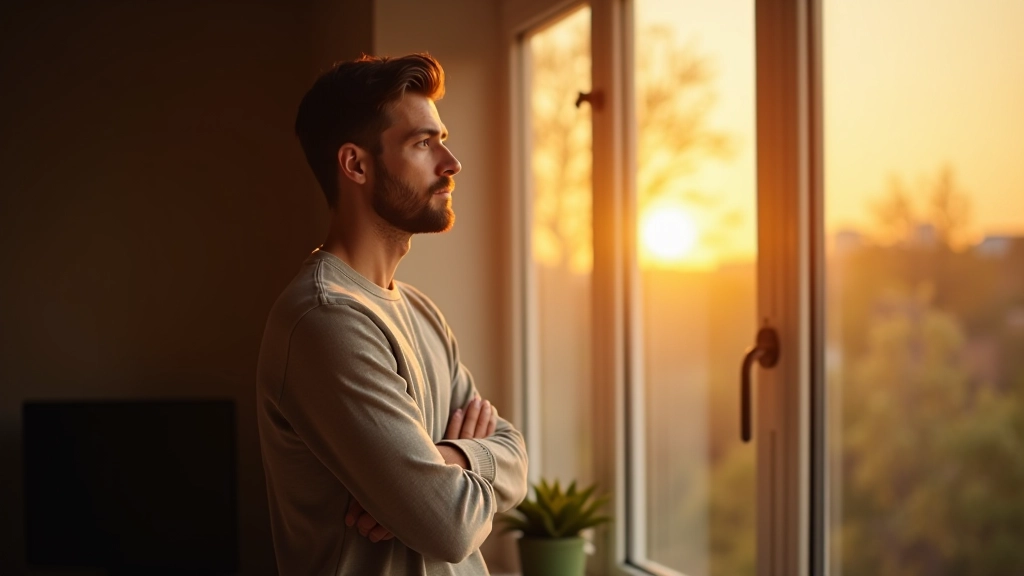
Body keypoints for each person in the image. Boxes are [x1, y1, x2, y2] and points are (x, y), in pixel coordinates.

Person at [256, 53, 529, 575]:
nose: (451, 163)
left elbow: (516, 455)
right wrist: (456, 473)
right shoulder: (325, 319)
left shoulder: (422, 312)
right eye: (423, 143)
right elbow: (450, 526)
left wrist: (451, 458)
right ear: (356, 165)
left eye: (441, 139)